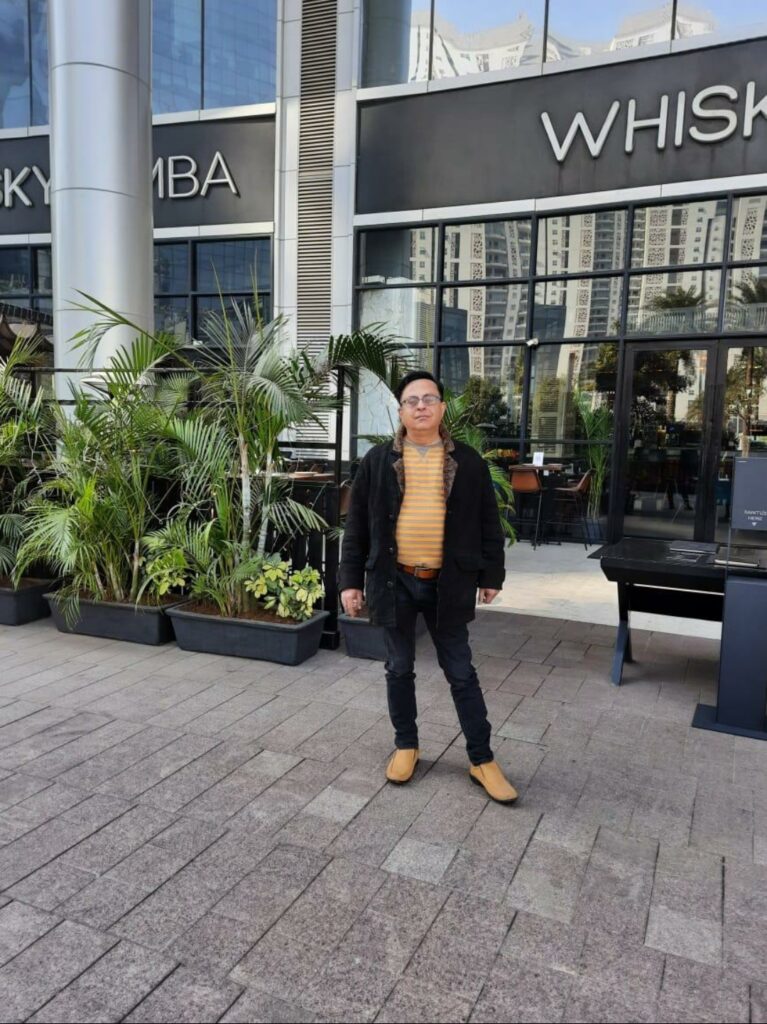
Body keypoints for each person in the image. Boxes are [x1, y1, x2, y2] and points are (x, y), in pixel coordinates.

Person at [339, 370, 518, 804]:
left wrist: (492, 575)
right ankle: (406, 745)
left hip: (448, 582)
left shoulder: (468, 462)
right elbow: (357, 525)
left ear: (441, 407)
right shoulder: (377, 461)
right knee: (398, 667)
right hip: (394, 579)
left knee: (461, 671)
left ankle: (481, 758)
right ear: (401, 411)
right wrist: (349, 582)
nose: (421, 406)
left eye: (429, 399)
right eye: (412, 400)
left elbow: (488, 523)